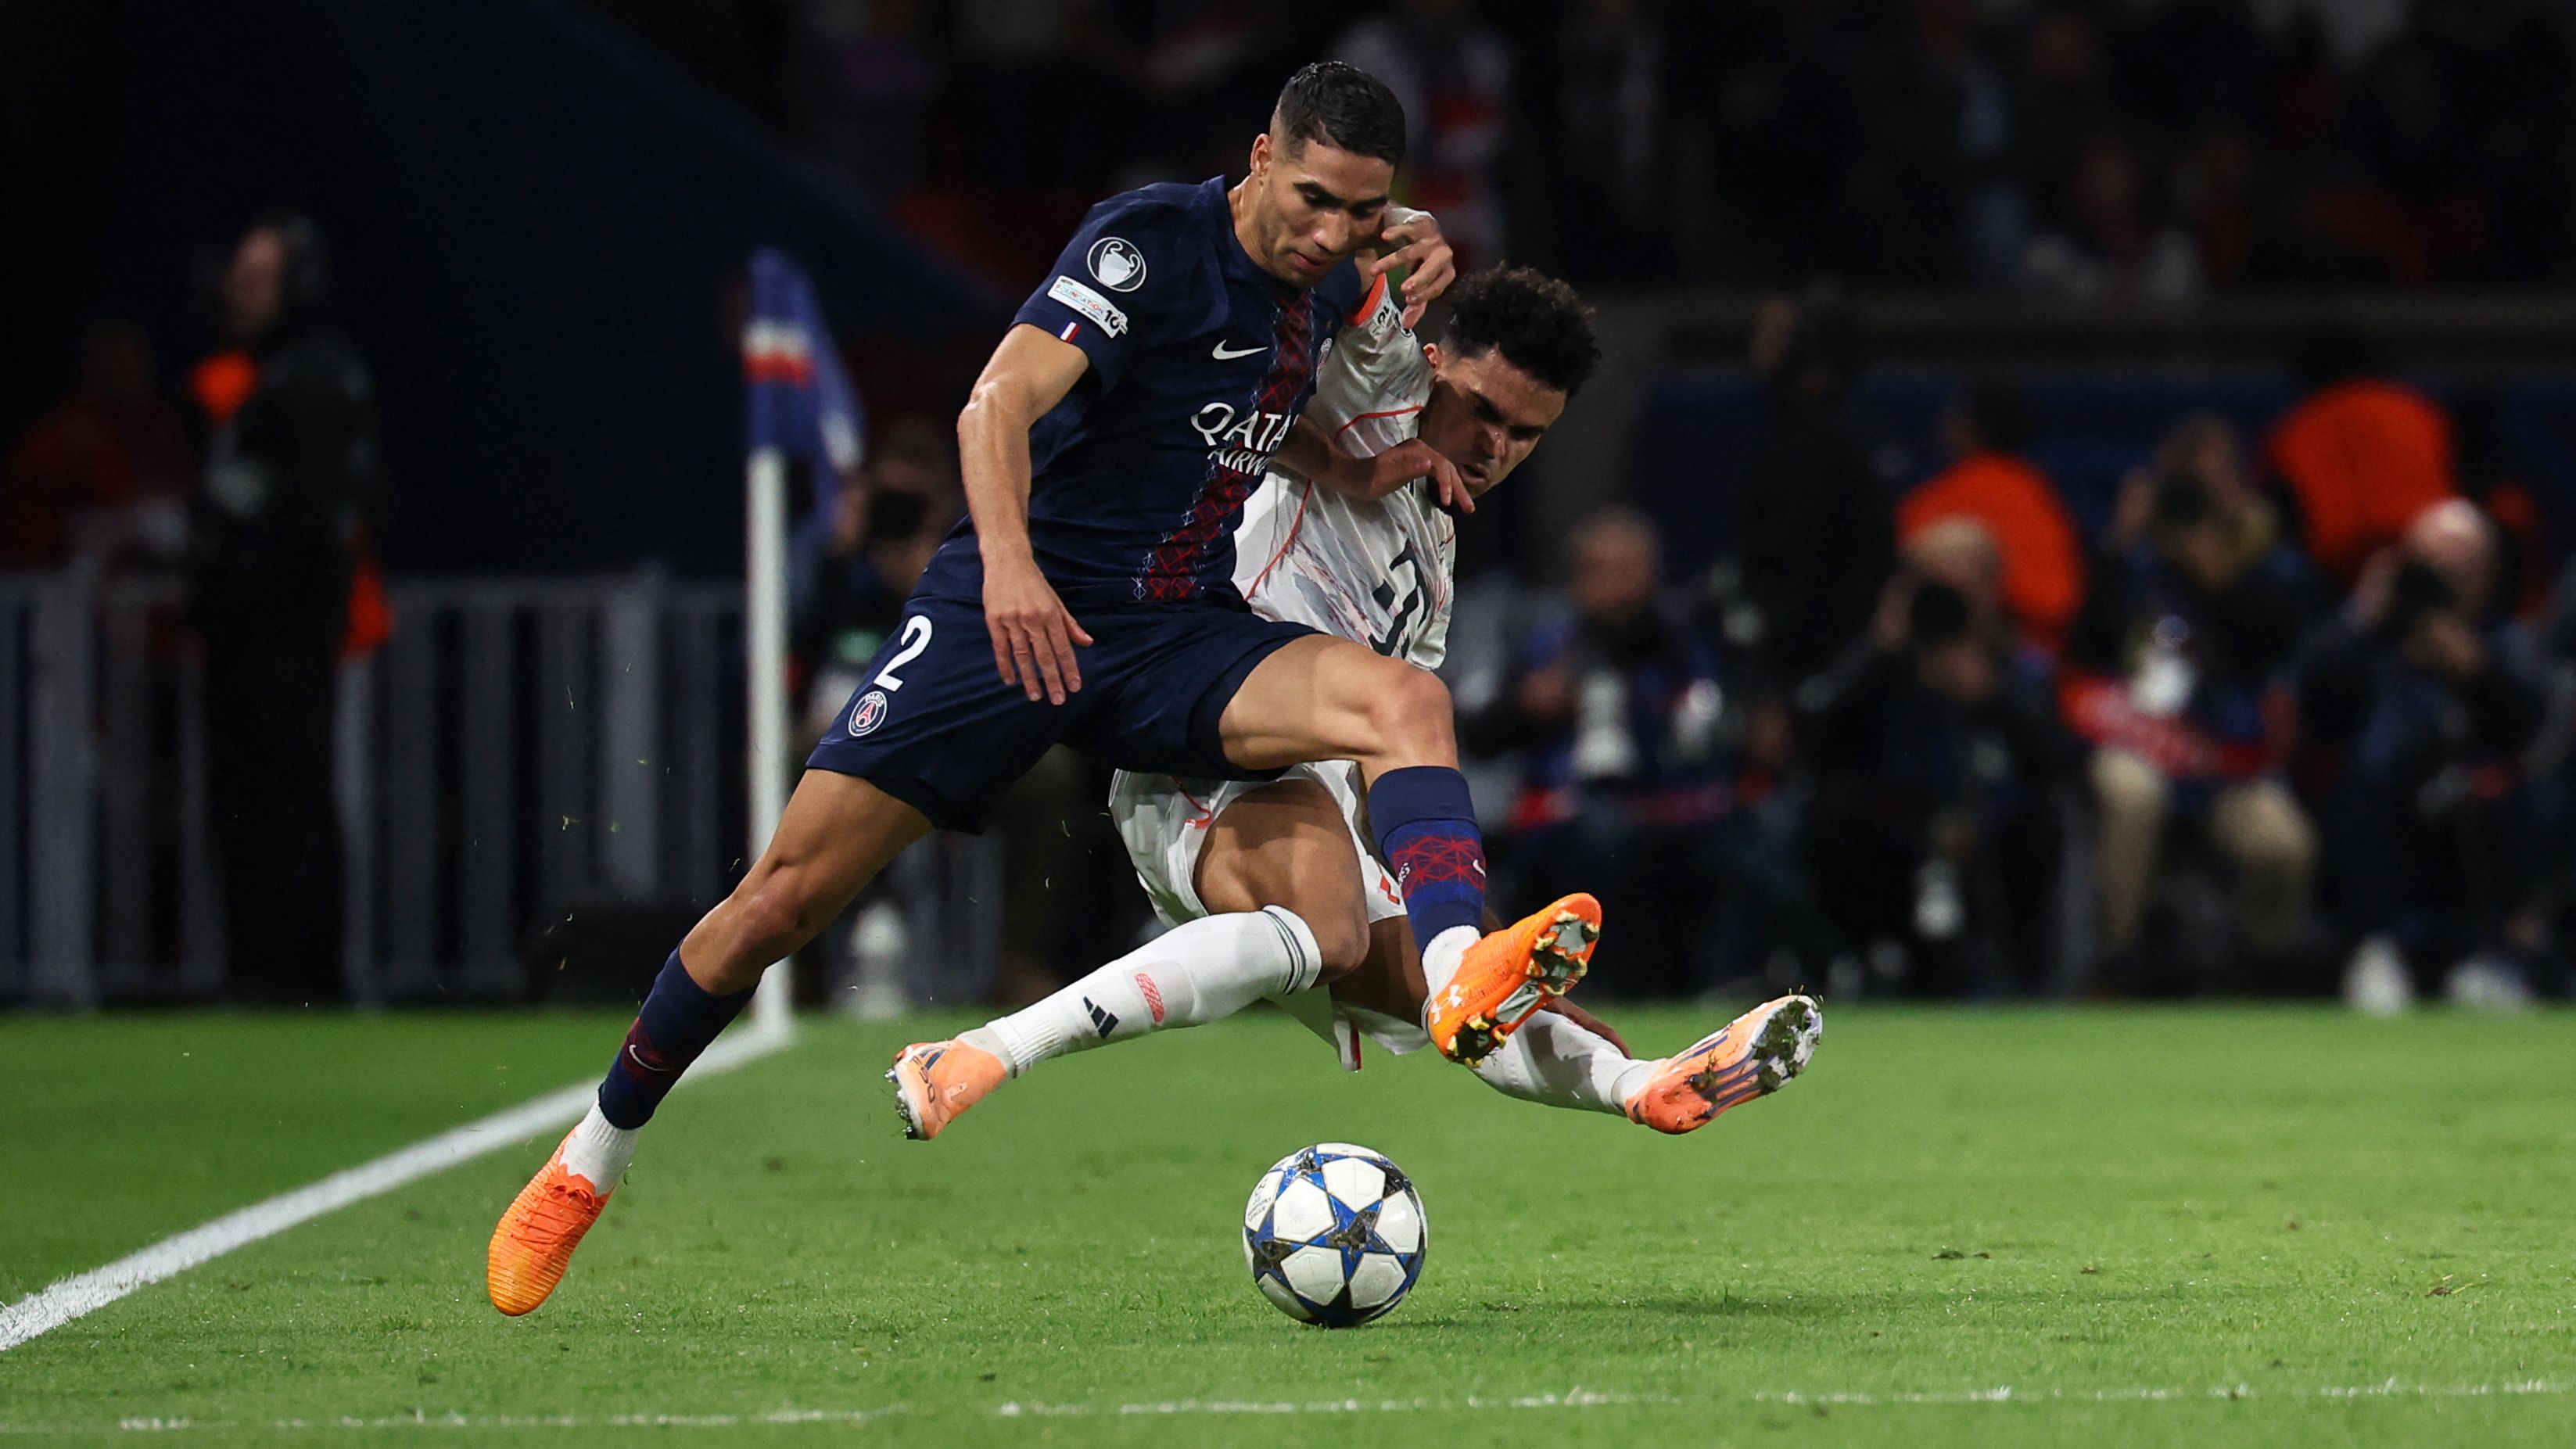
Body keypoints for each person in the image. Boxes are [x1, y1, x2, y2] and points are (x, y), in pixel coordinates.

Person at [489, 63, 1599, 1317]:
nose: (1331, 232)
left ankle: (1459, 965)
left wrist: (1342, 466)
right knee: (779, 902)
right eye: (1313, 200)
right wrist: (1012, 570)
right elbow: (994, 405)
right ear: (1258, 159)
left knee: (1404, 703)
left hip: (1168, 629)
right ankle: (590, 1159)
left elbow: (1239, 412)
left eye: (1359, 211)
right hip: (1007, 610)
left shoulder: (1330, 288)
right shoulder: (1146, 245)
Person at [910, 268, 1817, 1143]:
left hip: (1310, 777)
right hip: (1206, 719)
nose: (1494, 445)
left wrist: (1471, 931)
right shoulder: (1370, 388)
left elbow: (1394, 778)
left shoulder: (1433, 570)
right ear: (1433, 363)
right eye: (1481, 409)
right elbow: (1307, 240)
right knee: (1352, 910)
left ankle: (1641, 1083)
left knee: (1430, 988)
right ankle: (999, 1045)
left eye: (1525, 433)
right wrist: (1402, 229)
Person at [188, 216, 379, 1006]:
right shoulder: (253, 375)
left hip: (289, 628)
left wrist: (248, 564)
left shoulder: (316, 374)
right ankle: (257, 965)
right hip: (241, 631)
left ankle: (302, 974)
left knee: (291, 794)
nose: (240, 294)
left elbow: (312, 512)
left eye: (259, 279)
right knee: (245, 799)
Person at [2062, 414, 2320, 988]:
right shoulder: (2132, 560)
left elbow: (2272, 649)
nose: (2194, 497)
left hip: (2226, 757)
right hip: (2137, 743)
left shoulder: (2269, 560)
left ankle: (2258, 974)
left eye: (2211, 481)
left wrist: (2217, 570)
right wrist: (2119, 545)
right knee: (2133, 795)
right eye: (2184, 481)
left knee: (2283, 844)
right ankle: (2114, 965)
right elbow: (2086, 650)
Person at [2298, 500, 2549, 1012]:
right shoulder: (2368, 638)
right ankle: (2375, 949)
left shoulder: (2505, 644)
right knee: (2359, 790)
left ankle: (2486, 959)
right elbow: (2316, 702)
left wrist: (2476, 671)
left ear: (2488, 576)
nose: (2445, 584)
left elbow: (2527, 726)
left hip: (2475, 814)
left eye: (2460, 571)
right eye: (2431, 567)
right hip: (2380, 811)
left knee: (2528, 804)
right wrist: (2364, 616)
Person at [1895, 379, 2086, 653]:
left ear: (1970, 426)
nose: (1944, 424)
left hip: (2005, 653)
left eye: (1954, 415)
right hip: (2046, 652)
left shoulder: (1942, 500)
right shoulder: (2038, 489)